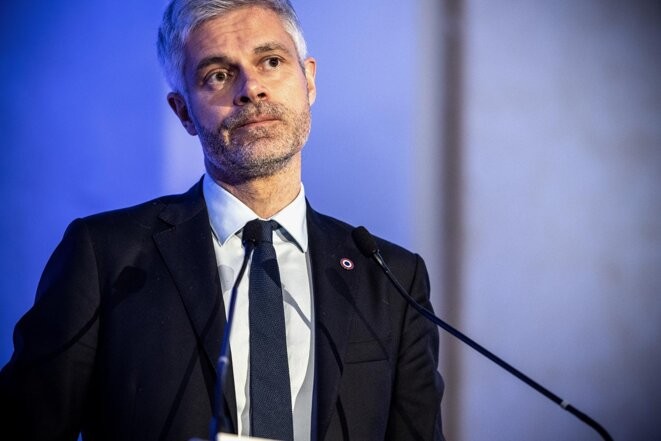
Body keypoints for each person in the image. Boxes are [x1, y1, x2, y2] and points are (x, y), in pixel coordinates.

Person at [0, 1, 445, 440]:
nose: (251, 88)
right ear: (183, 112)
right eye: (218, 75)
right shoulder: (105, 258)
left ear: (308, 79)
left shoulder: (390, 277)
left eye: (271, 61)